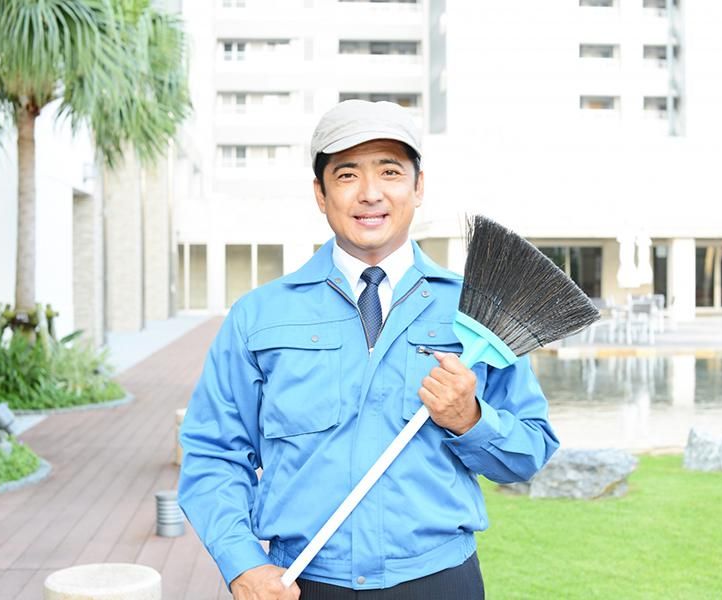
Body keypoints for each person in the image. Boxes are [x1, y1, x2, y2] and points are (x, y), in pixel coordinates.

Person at [178, 100, 559, 600]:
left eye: (390, 171)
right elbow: (213, 452)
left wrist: (470, 419)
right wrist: (242, 562)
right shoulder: (259, 316)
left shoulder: (478, 310)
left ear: (418, 187)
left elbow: (530, 450)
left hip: (440, 581)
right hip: (306, 583)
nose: (370, 193)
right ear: (321, 193)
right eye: (347, 174)